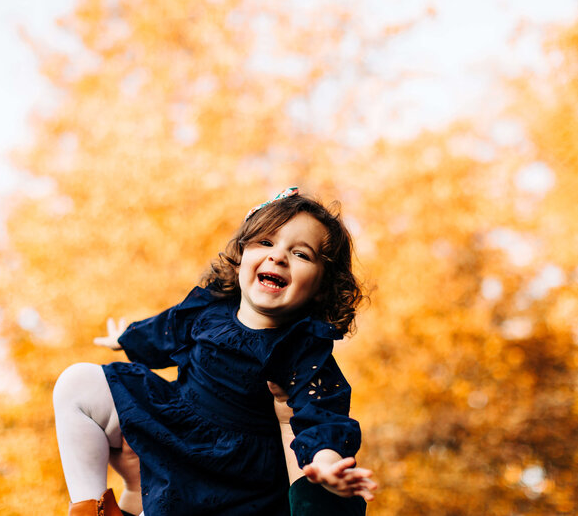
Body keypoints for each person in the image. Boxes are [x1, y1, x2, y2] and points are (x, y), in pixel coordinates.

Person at [53, 188, 377, 516]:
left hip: (235, 477)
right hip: (175, 429)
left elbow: (321, 415)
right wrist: (126, 338)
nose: (278, 256)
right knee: (78, 382)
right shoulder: (209, 307)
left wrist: (325, 464)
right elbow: (167, 329)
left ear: (322, 288)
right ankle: (91, 508)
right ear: (241, 256)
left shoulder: (304, 348)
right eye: (265, 242)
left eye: (301, 254)